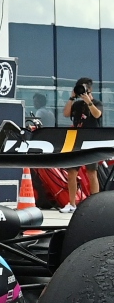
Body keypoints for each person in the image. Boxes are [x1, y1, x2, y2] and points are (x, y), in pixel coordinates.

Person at [62, 77, 103, 213]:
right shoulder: (77, 105)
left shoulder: (96, 103)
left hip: (91, 140)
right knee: (72, 172)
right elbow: (66, 114)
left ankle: (95, 204)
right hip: (76, 140)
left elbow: (97, 115)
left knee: (92, 172)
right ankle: (72, 203)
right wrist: (72, 98)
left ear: (89, 89)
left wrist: (89, 102)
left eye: (84, 88)